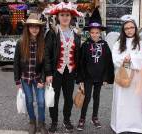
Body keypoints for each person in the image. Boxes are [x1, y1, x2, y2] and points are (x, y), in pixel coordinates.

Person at [44, 2, 82, 133]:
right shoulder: (52, 33)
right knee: (54, 98)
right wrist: (48, 73)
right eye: (62, 15)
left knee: (68, 98)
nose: (65, 17)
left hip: (70, 71)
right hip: (56, 72)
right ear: (58, 17)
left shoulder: (76, 34)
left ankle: (67, 120)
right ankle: (54, 121)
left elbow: (79, 55)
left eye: (67, 15)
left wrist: (79, 74)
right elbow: (47, 54)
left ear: (71, 17)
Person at [76, 7, 114, 131]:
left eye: (97, 33)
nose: (95, 35)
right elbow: (80, 63)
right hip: (88, 76)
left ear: (100, 33)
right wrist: (80, 79)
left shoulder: (105, 45)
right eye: (92, 32)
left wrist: (106, 78)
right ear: (89, 33)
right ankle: (82, 118)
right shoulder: (85, 45)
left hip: (99, 76)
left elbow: (108, 62)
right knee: (87, 97)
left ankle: (95, 117)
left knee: (96, 97)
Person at [110, 15, 142, 134]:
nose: (129, 30)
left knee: (136, 102)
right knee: (121, 101)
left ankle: (136, 125)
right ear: (123, 30)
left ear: (135, 28)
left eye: (131, 27)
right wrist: (125, 60)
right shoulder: (118, 43)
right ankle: (120, 125)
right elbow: (115, 59)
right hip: (122, 75)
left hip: (136, 77)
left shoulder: (140, 43)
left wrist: (131, 58)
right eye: (126, 28)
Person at [14, 13, 47, 134]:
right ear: (27, 27)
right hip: (25, 78)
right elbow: (16, 62)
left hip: (38, 77)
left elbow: (45, 64)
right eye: (31, 26)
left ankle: (42, 123)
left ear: (40, 28)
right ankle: (32, 122)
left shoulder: (43, 43)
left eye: (37, 26)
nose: (34, 29)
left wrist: (42, 79)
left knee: (41, 102)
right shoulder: (21, 42)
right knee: (29, 100)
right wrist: (17, 80)